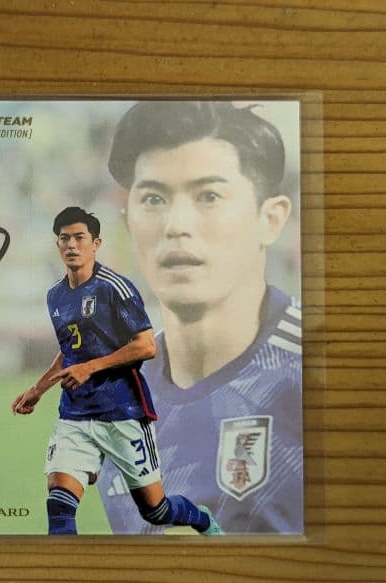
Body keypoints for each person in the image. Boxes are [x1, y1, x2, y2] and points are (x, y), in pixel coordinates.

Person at [97, 101, 304, 534]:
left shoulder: (316, 376)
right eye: (153, 199)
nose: (176, 225)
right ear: (128, 221)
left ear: (271, 220)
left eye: (209, 196)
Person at [12, 206, 221, 536]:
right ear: (57, 244)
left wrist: (91, 367)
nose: (71, 245)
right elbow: (70, 351)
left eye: (79, 237)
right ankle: (65, 569)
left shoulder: (115, 288)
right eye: (64, 238)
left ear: (96, 244)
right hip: (75, 415)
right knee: (59, 506)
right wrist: (38, 389)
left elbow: (146, 346)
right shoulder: (56, 296)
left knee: (156, 510)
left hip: (122, 412)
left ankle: (201, 519)